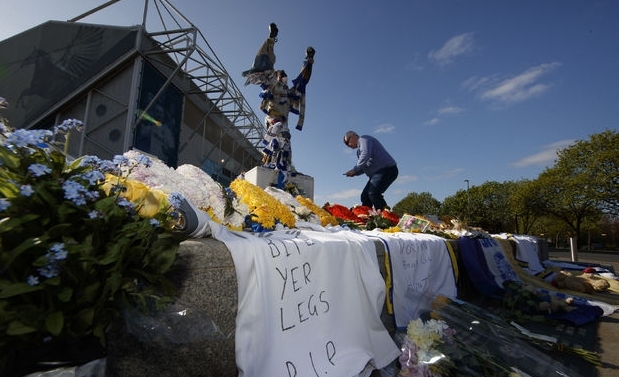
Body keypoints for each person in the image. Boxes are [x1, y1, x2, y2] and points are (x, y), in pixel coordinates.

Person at [242, 23, 315, 188]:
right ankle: (270, 163)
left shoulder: (289, 92)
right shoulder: (271, 84)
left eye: (285, 76)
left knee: (286, 143)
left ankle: (284, 169)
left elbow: (302, 80)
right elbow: (264, 64)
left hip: (284, 121)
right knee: (276, 138)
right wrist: (272, 38)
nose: (284, 78)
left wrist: (308, 61)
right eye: (281, 75)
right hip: (273, 118)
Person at [343, 130, 398, 210]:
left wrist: (354, 170)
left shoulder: (363, 139)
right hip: (376, 174)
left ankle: (386, 216)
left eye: (347, 142)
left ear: (353, 136)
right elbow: (364, 167)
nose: (348, 145)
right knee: (365, 196)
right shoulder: (359, 152)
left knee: (373, 193)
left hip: (387, 169)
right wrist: (355, 173)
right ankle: (366, 216)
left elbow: (365, 154)